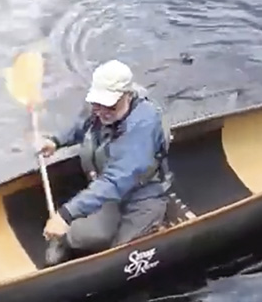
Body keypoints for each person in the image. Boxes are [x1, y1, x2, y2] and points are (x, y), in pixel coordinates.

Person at [39, 59, 172, 266]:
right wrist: (56, 141)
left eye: (109, 105)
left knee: (120, 256)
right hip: (109, 191)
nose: (101, 112)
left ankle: (154, 224)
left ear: (127, 95)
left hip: (142, 196)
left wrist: (65, 215)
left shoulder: (144, 124)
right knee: (83, 236)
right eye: (96, 105)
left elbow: (116, 180)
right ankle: (66, 240)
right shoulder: (100, 110)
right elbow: (84, 125)